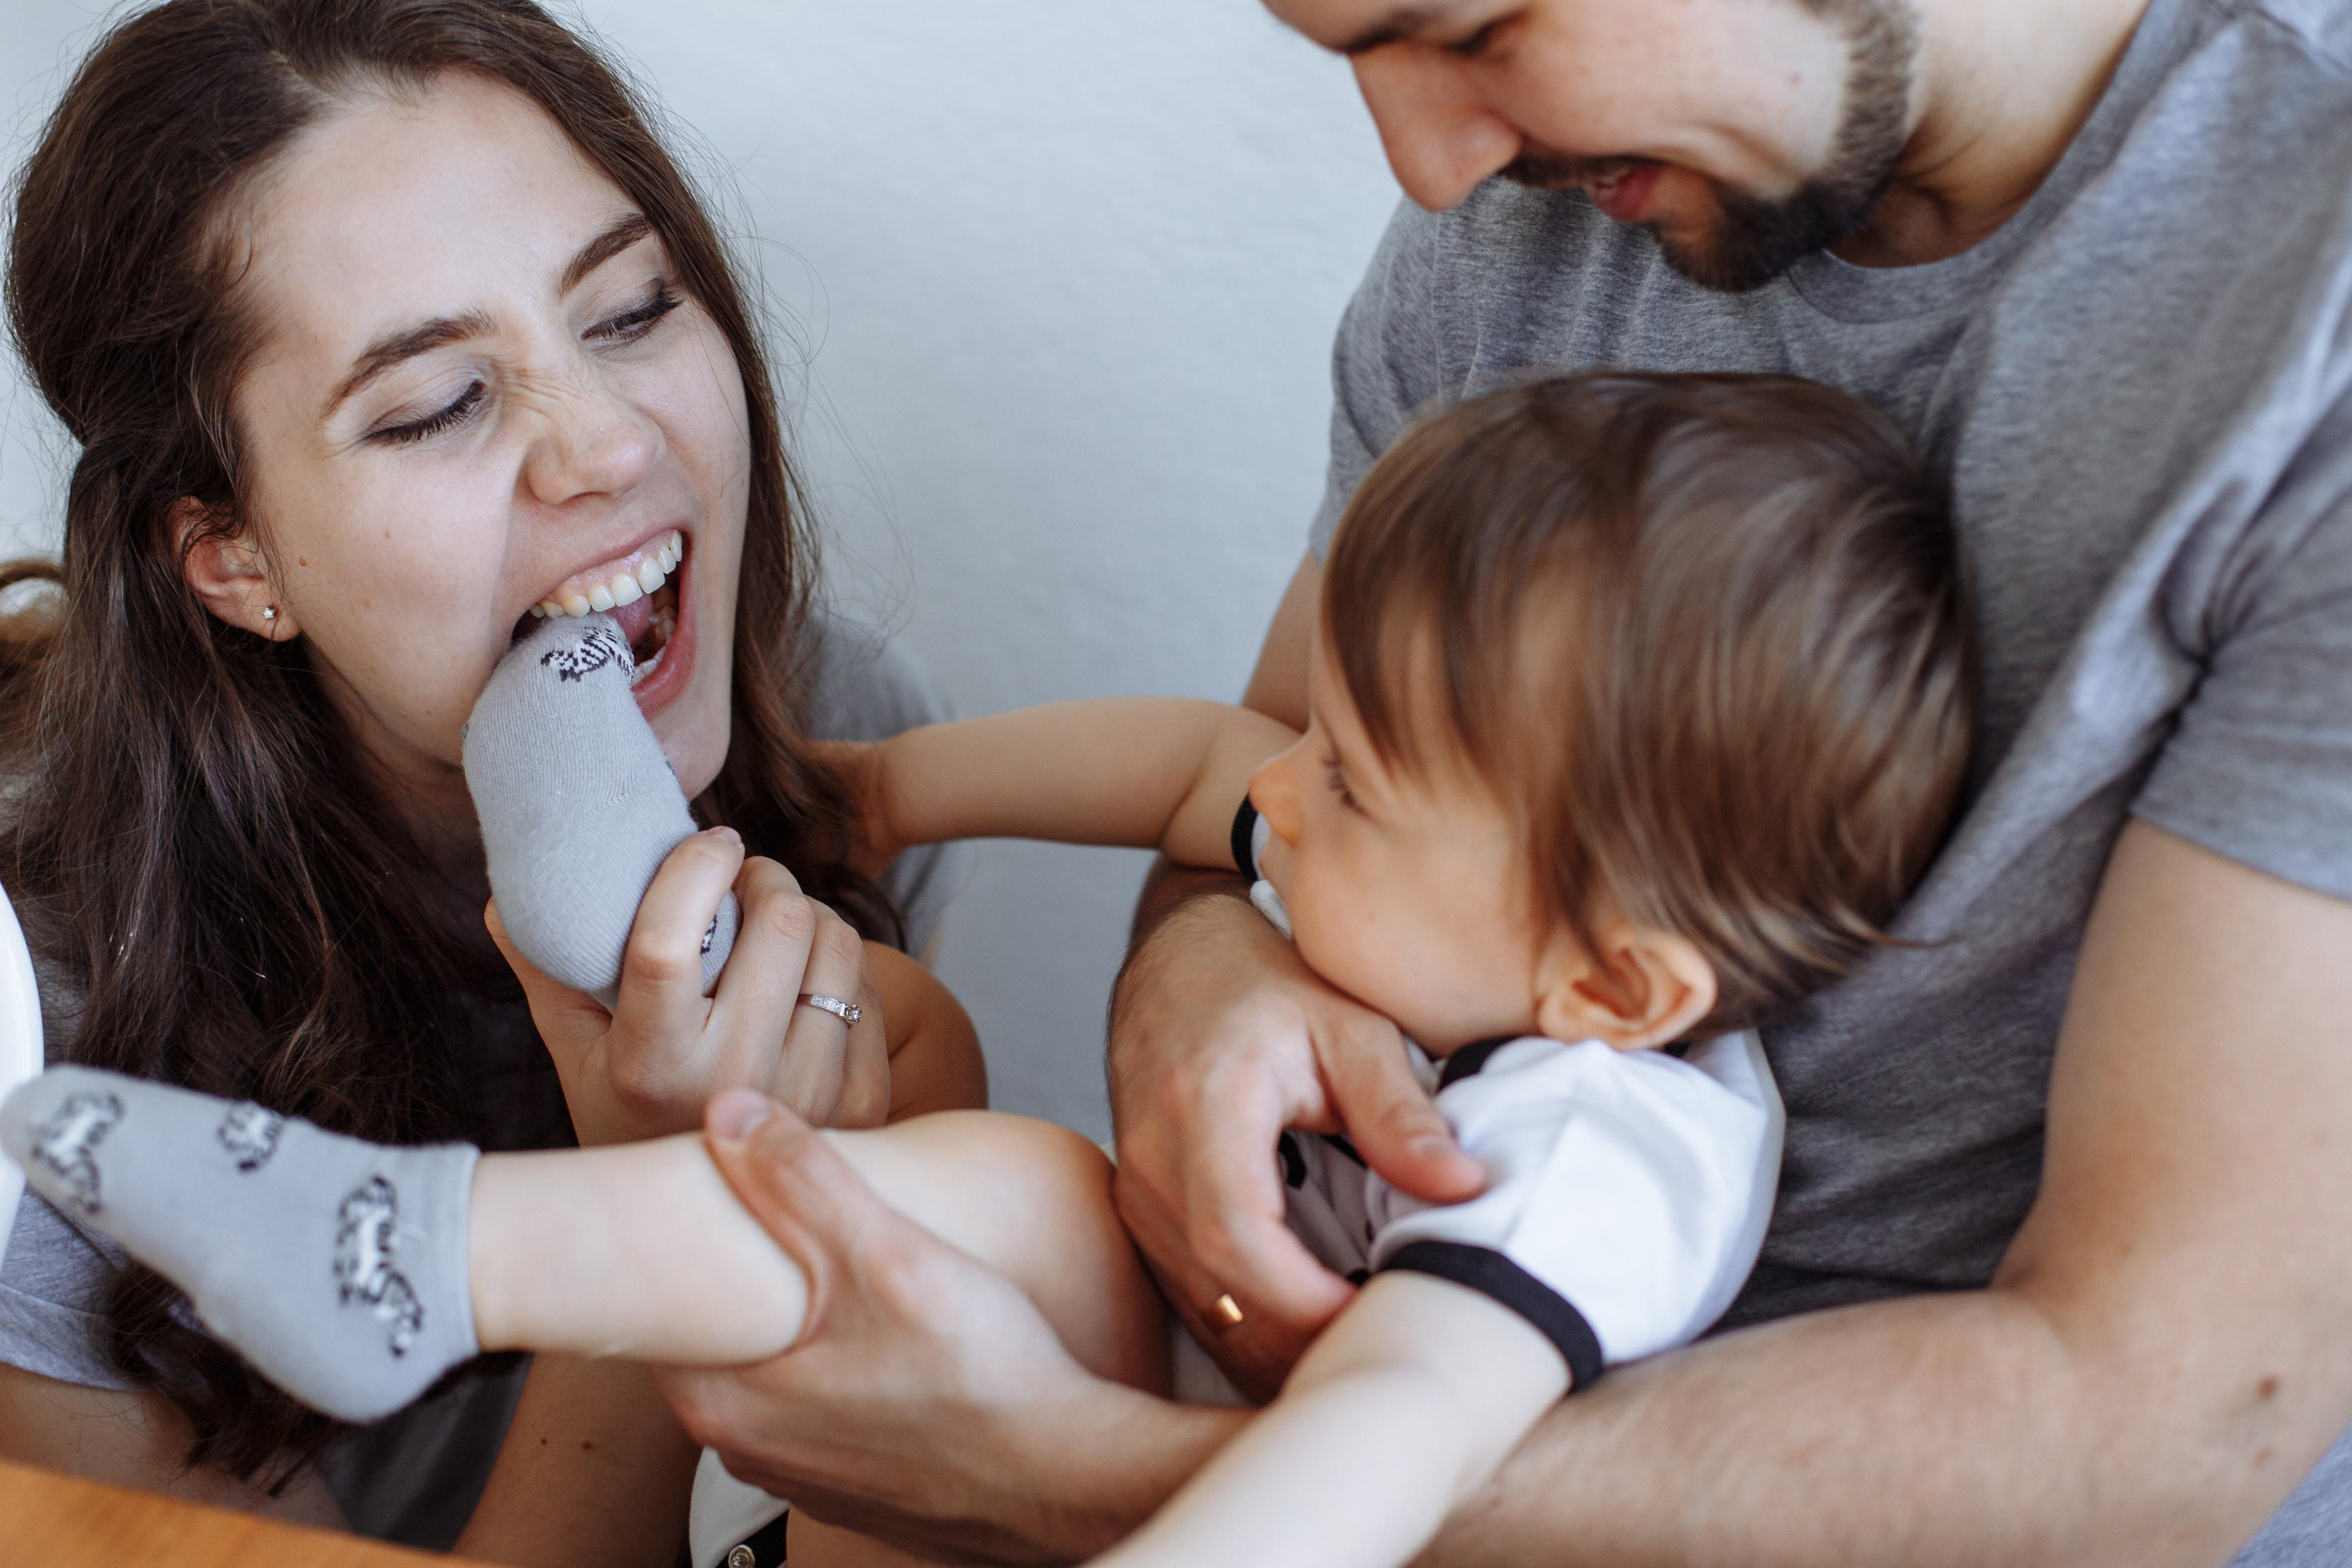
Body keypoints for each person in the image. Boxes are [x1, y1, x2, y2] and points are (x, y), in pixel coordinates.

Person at [654, 1, 2352, 1564]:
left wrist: (1070, 1477)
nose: (1430, 161)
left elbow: (2164, 1428)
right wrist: (1207, 990)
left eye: (1470, 26)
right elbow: (1258, 790)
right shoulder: (1538, 221)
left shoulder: (2308, 313)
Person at [6, 369, 1973, 1568]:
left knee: (1008, 1190)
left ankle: (441, 1240)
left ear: (1615, 985)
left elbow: (1364, 1473)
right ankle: (409, 1245)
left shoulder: (1599, 1149)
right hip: (1008, 1482)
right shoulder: (1458, 912)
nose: (1282, 782)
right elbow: (1188, 761)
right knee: (1012, 1193)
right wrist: (868, 788)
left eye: (1351, 777)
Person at [0, 0, 978, 1557]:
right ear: (233, 555)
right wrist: (662, 1224)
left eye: (633, 308)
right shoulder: (40, 1045)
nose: (598, 445)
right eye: (438, 404)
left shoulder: (839, 727)